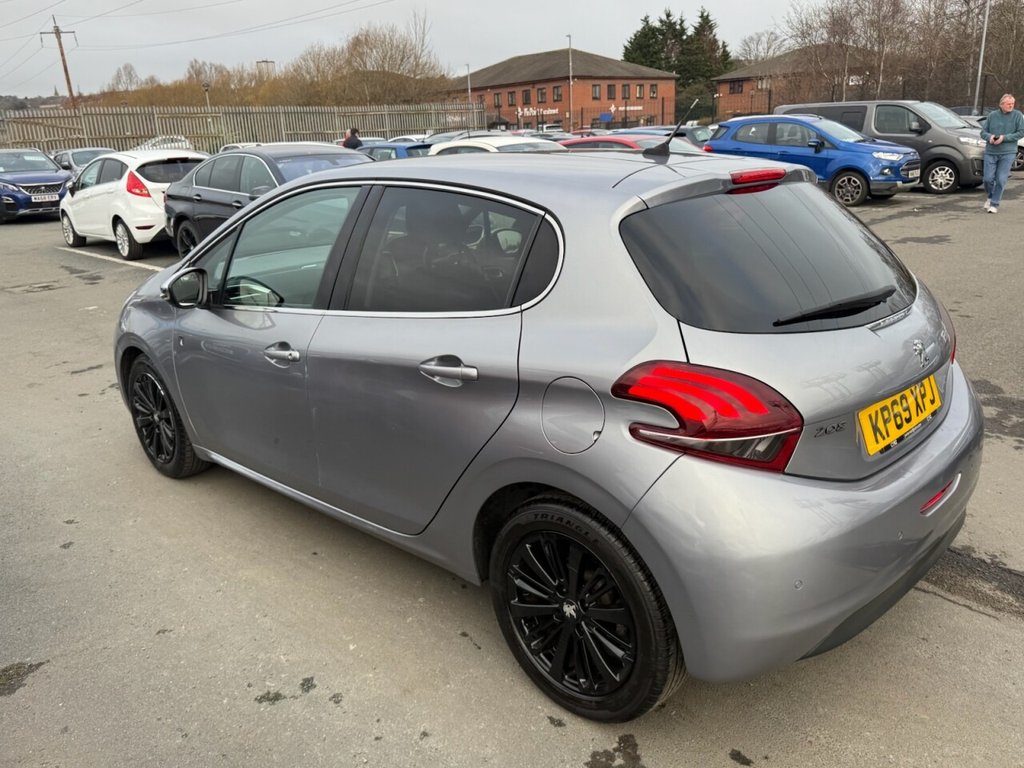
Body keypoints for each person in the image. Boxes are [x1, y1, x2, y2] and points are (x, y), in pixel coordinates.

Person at [980, 93, 1024, 213]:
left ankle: (994, 204)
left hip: (1008, 152)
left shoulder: (1018, 115)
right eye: (1008, 104)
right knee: (987, 179)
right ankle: (990, 196)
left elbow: (1021, 132)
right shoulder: (992, 115)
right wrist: (990, 137)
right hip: (991, 151)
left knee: (1001, 179)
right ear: (1001, 104)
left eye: (1012, 104)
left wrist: (1004, 138)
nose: (1011, 106)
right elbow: (983, 132)